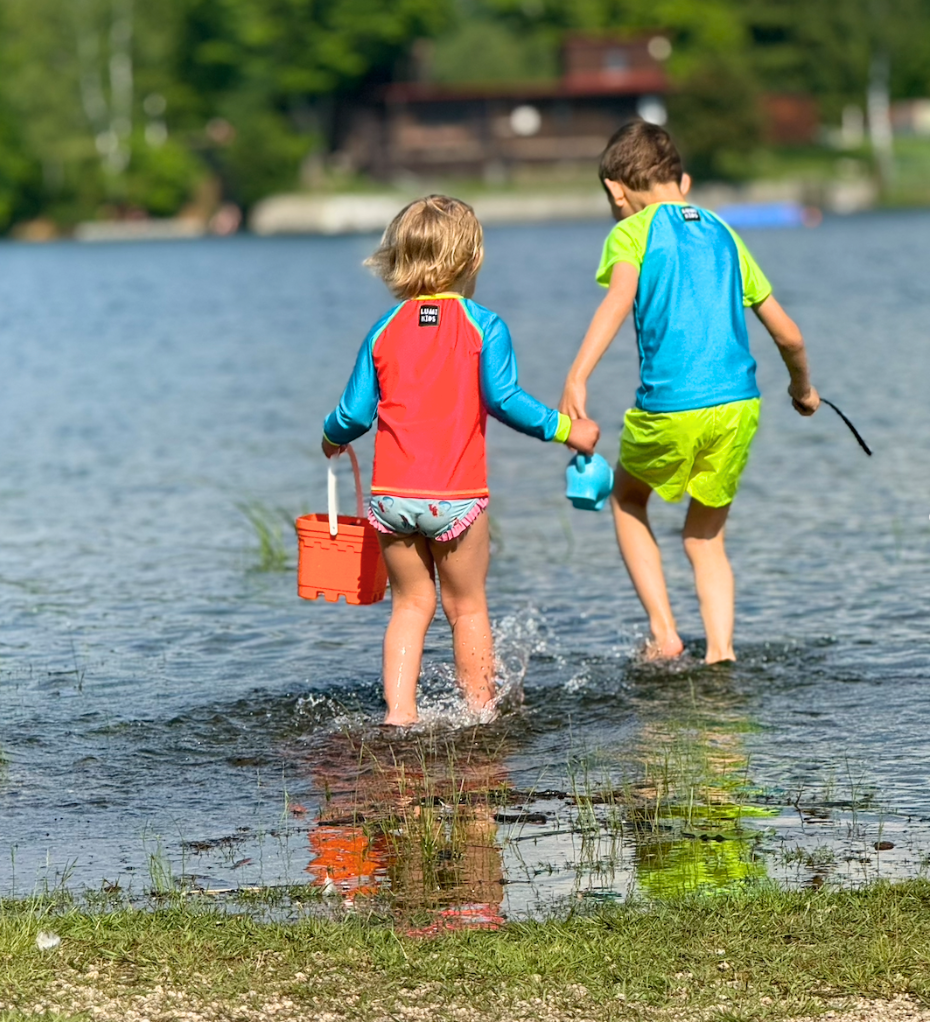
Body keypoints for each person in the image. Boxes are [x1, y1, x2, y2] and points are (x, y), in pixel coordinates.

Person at [322, 195, 600, 725]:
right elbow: (506, 399)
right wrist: (569, 430)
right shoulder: (483, 325)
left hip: (393, 502)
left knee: (409, 607)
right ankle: (479, 713)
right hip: (457, 500)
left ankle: (398, 716)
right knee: (466, 608)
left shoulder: (383, 329)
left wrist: (329, 436)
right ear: (472, 261)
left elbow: (353, 415)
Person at [560, 121, 820, 664]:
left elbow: (617, 301)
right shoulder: (726, 232)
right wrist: (803, 389)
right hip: (738, 407)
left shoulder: (631, 232)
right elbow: (788, 333)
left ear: (616, 189)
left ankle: (664, 633)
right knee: (705, 537)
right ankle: (721, 652)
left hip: (672, 407)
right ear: (684, 182)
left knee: (628, 499)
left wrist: (578, 375)